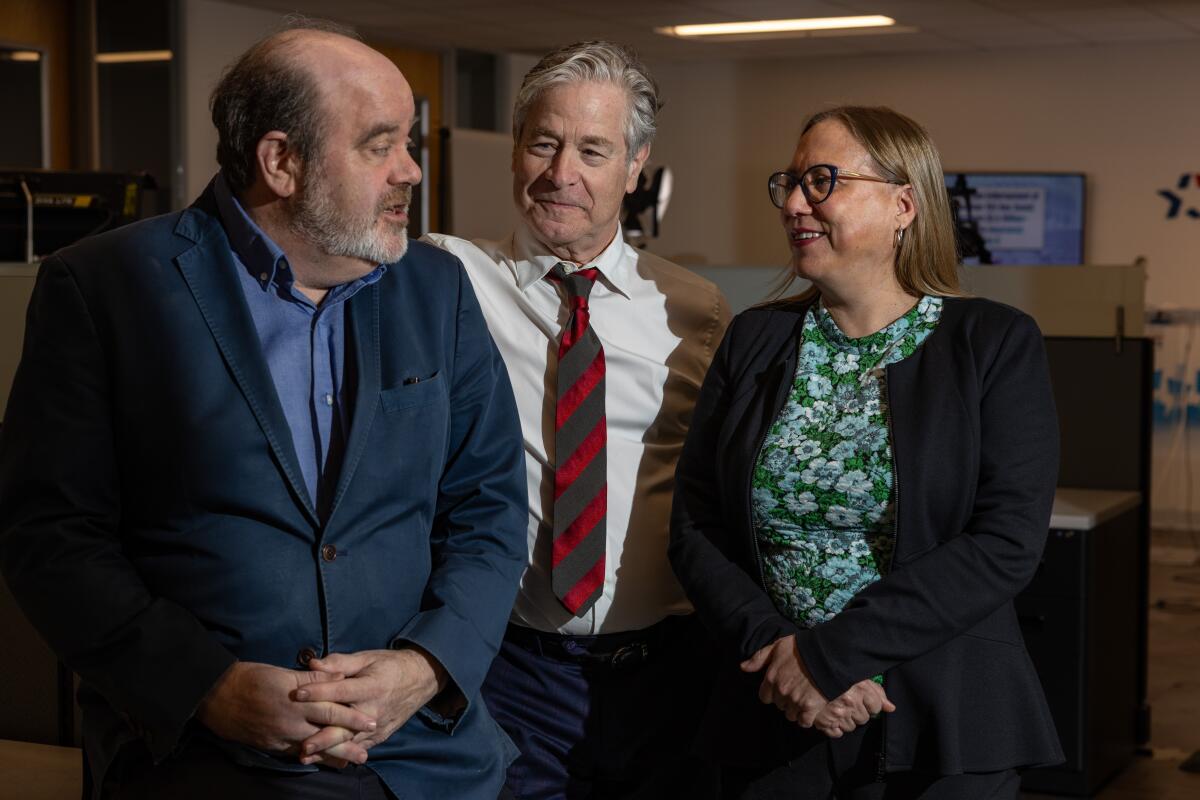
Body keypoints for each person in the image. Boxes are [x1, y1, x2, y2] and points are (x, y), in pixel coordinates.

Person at [0, 22, 527, 800]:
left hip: (422, 752)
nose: (410, 171)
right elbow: (51, 536)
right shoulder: (107, 287)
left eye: (407, 143)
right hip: (200, 752)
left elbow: (489, 508)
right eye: (379, 146)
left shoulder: (436, 290)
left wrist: (424, 668)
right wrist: (208, 687)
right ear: (281, 161)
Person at [669, 105, 1064, 799]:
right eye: (789, 183)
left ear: (904, 204)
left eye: (823, 181)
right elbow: (696, 523)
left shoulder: (992, 343)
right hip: (773, 708)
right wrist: (780, 655)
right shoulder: (756, 340)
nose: (795, 203)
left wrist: (828, 659)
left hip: (942, 717)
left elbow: (1005, 542)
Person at [425, 40, 730, 799]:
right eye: (544, 144)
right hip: (511, 670)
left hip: (669, 674)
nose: (562, 174)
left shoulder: (694, 309)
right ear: (514, 153)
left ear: (635, 166)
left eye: (593, 151)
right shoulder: (446, 280)